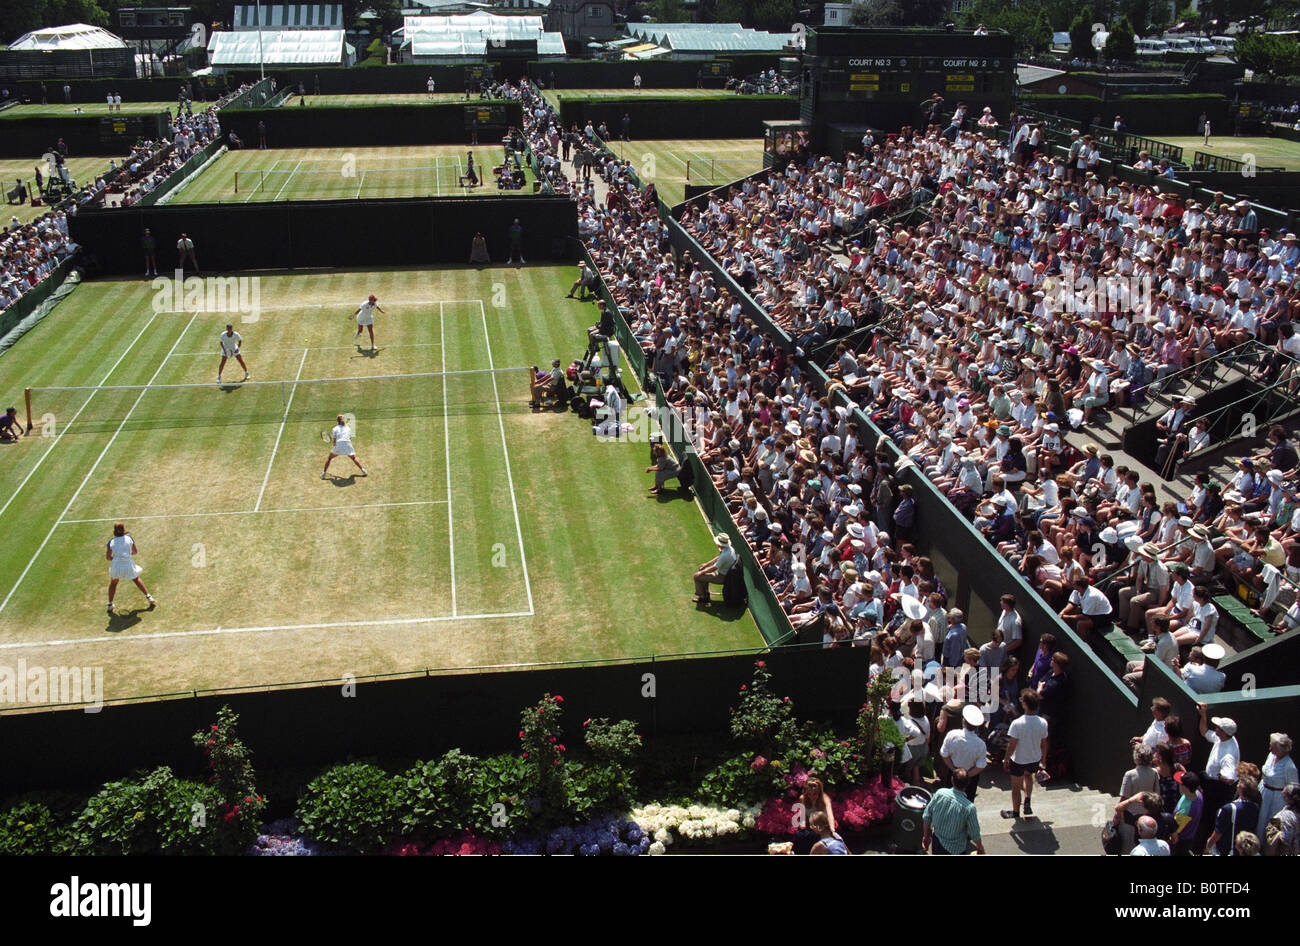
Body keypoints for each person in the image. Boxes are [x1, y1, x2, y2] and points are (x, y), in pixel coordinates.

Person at [1003, 688, 1048, 820]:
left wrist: (1006, 759)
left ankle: (1015, 812)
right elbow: (1044, 743)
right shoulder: (1043, 723)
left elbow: (1012, 745)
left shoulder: (1017, 724)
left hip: (1018, 760)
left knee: (1016, 787)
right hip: (1035, 759)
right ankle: (1027, 800)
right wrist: (1043, 760)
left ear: (1025, 704)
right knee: (1028, 776)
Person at [922, 769, 985, 854]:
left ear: (952, 780)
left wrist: (926, 837)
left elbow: (927, 816)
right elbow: (974, 833)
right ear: (967, 784)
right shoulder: (969, 808)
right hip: (956, 849)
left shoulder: (940, 793)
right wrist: (980, 847)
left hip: (937, 843)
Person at [940, 704, 987, 800]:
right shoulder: (980, 744)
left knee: (949, 799)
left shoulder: (952, 735)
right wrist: (966, 775)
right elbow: (980, 765)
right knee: (967, 801)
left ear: (963, 721)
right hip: (970, 778)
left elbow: (944, 754)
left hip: (952, 773)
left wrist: (954, 770)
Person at [106, 522, 155, 614]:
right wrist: (126, 555)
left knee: (113, 583)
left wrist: (116, 558)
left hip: (116, 566)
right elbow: (135, 552)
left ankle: (110, 604)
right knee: (136, 579)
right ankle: (149, 597)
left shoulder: (111, 542)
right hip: (128, 565)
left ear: (114, 531)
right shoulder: (129, 539)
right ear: (123, 529)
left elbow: (108, 557)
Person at [1206, 776, 1261, 856]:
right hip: (1244, 850)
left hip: (1227, 851)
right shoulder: (1255, 807)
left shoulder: (1228, 809)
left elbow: (1218, 833)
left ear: (1240, 789)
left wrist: (1208, 846)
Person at [1257, 733, 1298, 836]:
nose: (1270, 748)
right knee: (1260, 821)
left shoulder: (1289, 766)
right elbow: (1264, 773)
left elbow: (1293, 789)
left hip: (1278, 800)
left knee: (1274, 824)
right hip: (1264, 794)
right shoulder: (1271, 756)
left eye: (1273, 747)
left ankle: (1270, 847)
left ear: (1281, 750)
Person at [693, 533, 737, 605]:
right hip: (723, 572)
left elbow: (714, 568)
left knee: (697, 577)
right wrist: (706, 565)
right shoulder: (729, 549)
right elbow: (718, 558)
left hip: (722, 577)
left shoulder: (725, 555)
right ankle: (705, 594)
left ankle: (703, 597)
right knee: (702, 570)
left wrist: (700, 573)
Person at [322, 414, 366, 480]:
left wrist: (335, 445)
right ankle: (363, 471)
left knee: (329, 458)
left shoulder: (334, 429)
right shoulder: (348, 428)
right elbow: (349, 438)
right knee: (353, 458)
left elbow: (334, 442)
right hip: (348, 444)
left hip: (339, 445)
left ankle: (323, 474)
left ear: (337, 421)